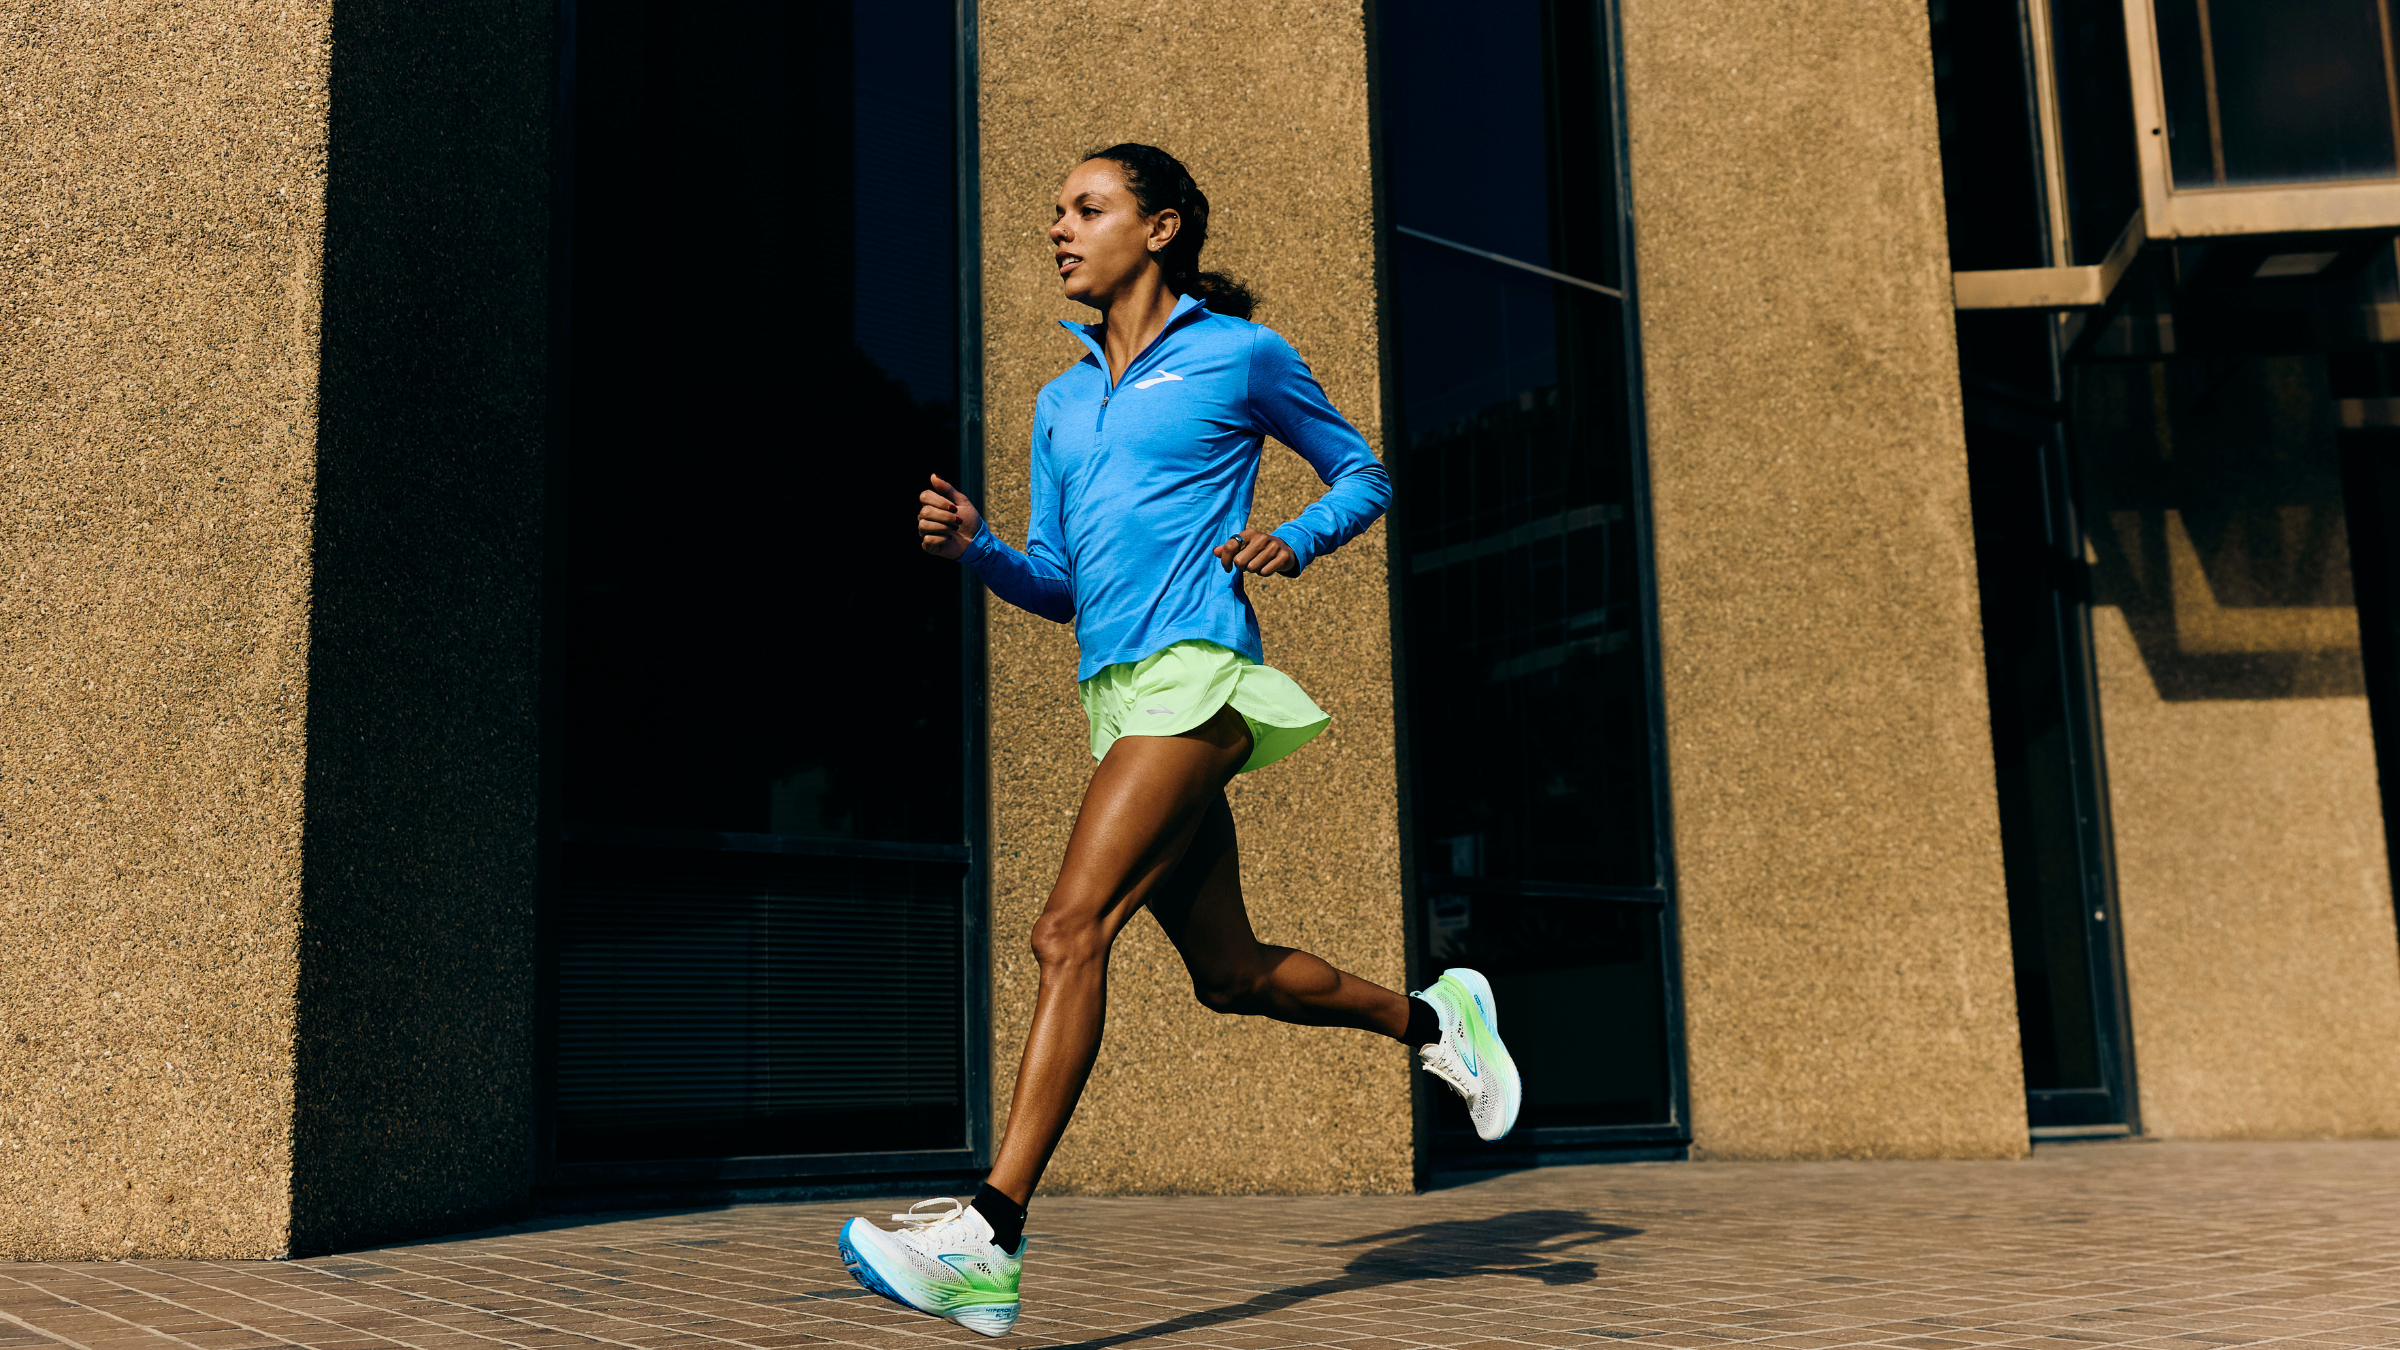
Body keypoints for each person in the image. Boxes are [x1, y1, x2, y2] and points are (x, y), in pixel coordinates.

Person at [836, 143, 1520, 1337]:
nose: (1060, 227)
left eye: (1088, 208)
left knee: (1068, 931)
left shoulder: (1239, 355)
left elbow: (1362, 472)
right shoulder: (1059, 402)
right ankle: (1436, 1020)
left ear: (1160, 229)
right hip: (1117, 696)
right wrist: (978, 549)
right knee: (1230, 975)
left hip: (1199, 679)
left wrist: (1296, 537)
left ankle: (989, 1236)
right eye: (1056, 211)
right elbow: (1060, 583)